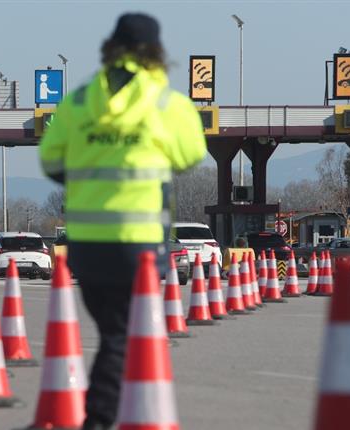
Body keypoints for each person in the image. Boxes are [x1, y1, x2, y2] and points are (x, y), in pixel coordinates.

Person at [38, 13, 206, 429]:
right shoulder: (167, 103)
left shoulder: (78, 102)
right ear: (157, 53)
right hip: (139, 245)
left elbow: (51, 161)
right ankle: (100, 418)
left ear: (110, 47)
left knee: (116, 332)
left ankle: (112, 413)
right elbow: (190, 155)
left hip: (87, 247)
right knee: (125, 336)